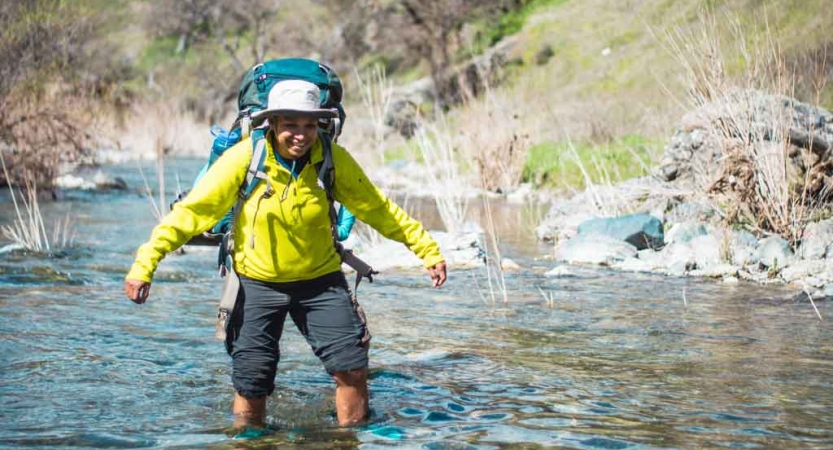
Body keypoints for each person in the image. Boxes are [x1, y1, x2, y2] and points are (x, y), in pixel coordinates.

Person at [124, 79, 447, 428]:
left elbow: (378, 209)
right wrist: (146, 263)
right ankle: (249, 439)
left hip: (320, 282)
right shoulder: (245, 158)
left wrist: (425, 249)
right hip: (257, 284)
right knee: (252, 380)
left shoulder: (331, 158)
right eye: (290, 124)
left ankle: (347, 437)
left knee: (351, 368)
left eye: (309, 125)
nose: (301, 134)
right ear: (272, 123)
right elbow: (191, 213)